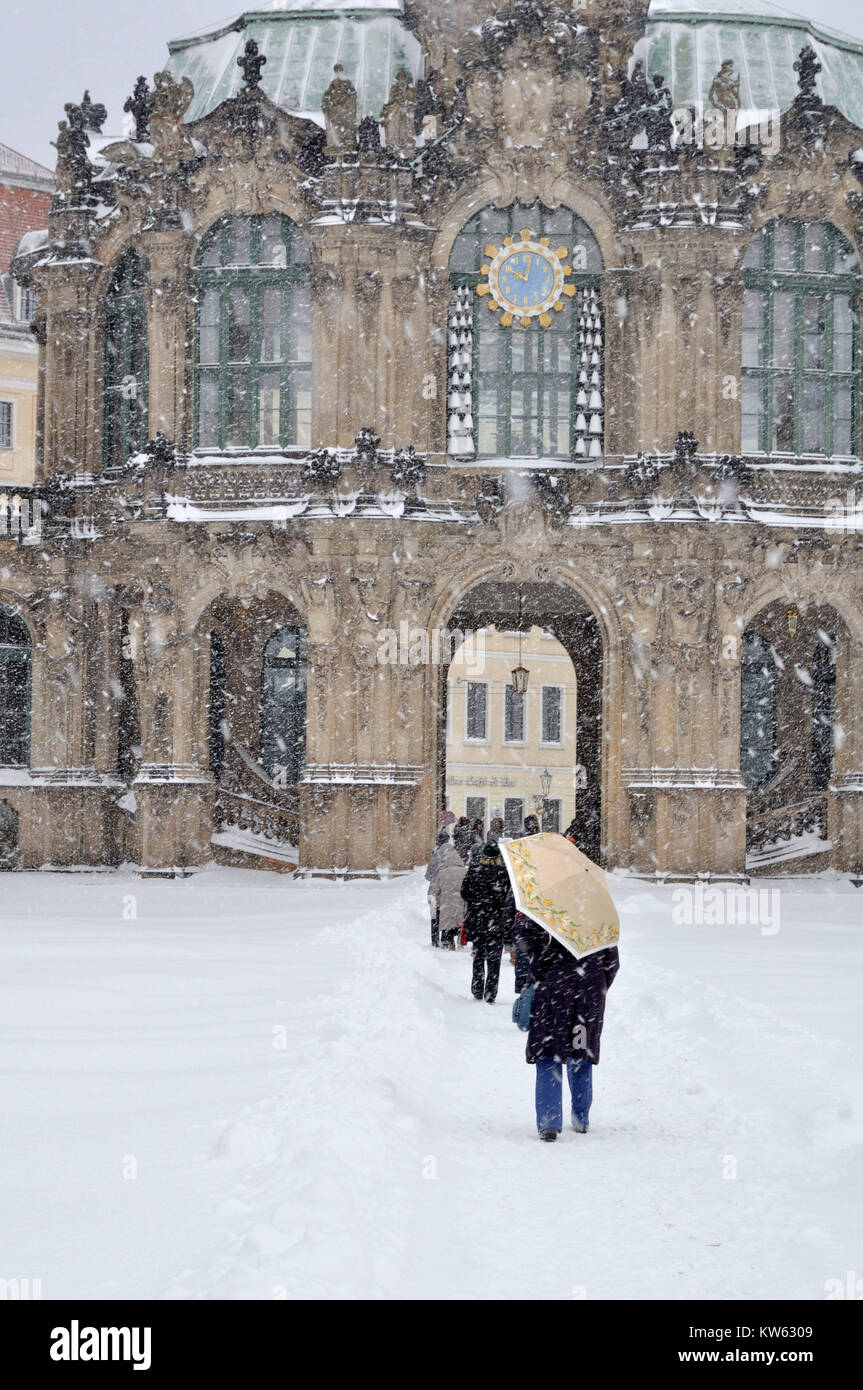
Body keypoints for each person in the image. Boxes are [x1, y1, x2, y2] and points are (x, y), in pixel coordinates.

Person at [513, 912, 619, 1142]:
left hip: (551, 990)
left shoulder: (545, 907)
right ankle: (581, 1116)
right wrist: (597, 985)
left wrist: (523, 921)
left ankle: (549, 1121)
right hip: (588, 990)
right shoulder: (598, 911)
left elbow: (523, 943)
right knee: (580, 1050)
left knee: (548, 1052)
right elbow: (613, 962)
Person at [460, 839, 514, 1003]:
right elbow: (508, 899)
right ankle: (490, 993)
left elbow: (464, 893)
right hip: (495, 922)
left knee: (478, 955)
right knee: (494, 960)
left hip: (478, 921)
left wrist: (477, 903)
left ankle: (477, 988)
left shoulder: (474, 871)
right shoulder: (504, 874)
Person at [431, 838, 467, 950]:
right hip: (460, 903)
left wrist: (436, 904)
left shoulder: (442, 873)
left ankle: (449, 942)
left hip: (446, 904)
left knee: (448, 924)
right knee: (460, 923)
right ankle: (460, 941)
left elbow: (436, 891)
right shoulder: (465, 872)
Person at [424, 830, 450, 946]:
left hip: (434, 890)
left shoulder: (435, 855)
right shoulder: (451, 855)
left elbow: (428, 875)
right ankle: (445, 938)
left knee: (434, 916)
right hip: (446, 889)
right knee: (445, 915)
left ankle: (434, 940)